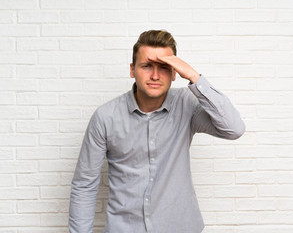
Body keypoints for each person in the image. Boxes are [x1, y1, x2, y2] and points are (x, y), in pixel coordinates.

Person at [69, 30, 245, 233]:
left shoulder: (186, 104)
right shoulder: (105, 117)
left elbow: (234, 129)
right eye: (146, 66)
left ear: (174, 73)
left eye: (164, 67)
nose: (154, 75)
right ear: (132, 70)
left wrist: (195, 78)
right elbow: (84, 186)